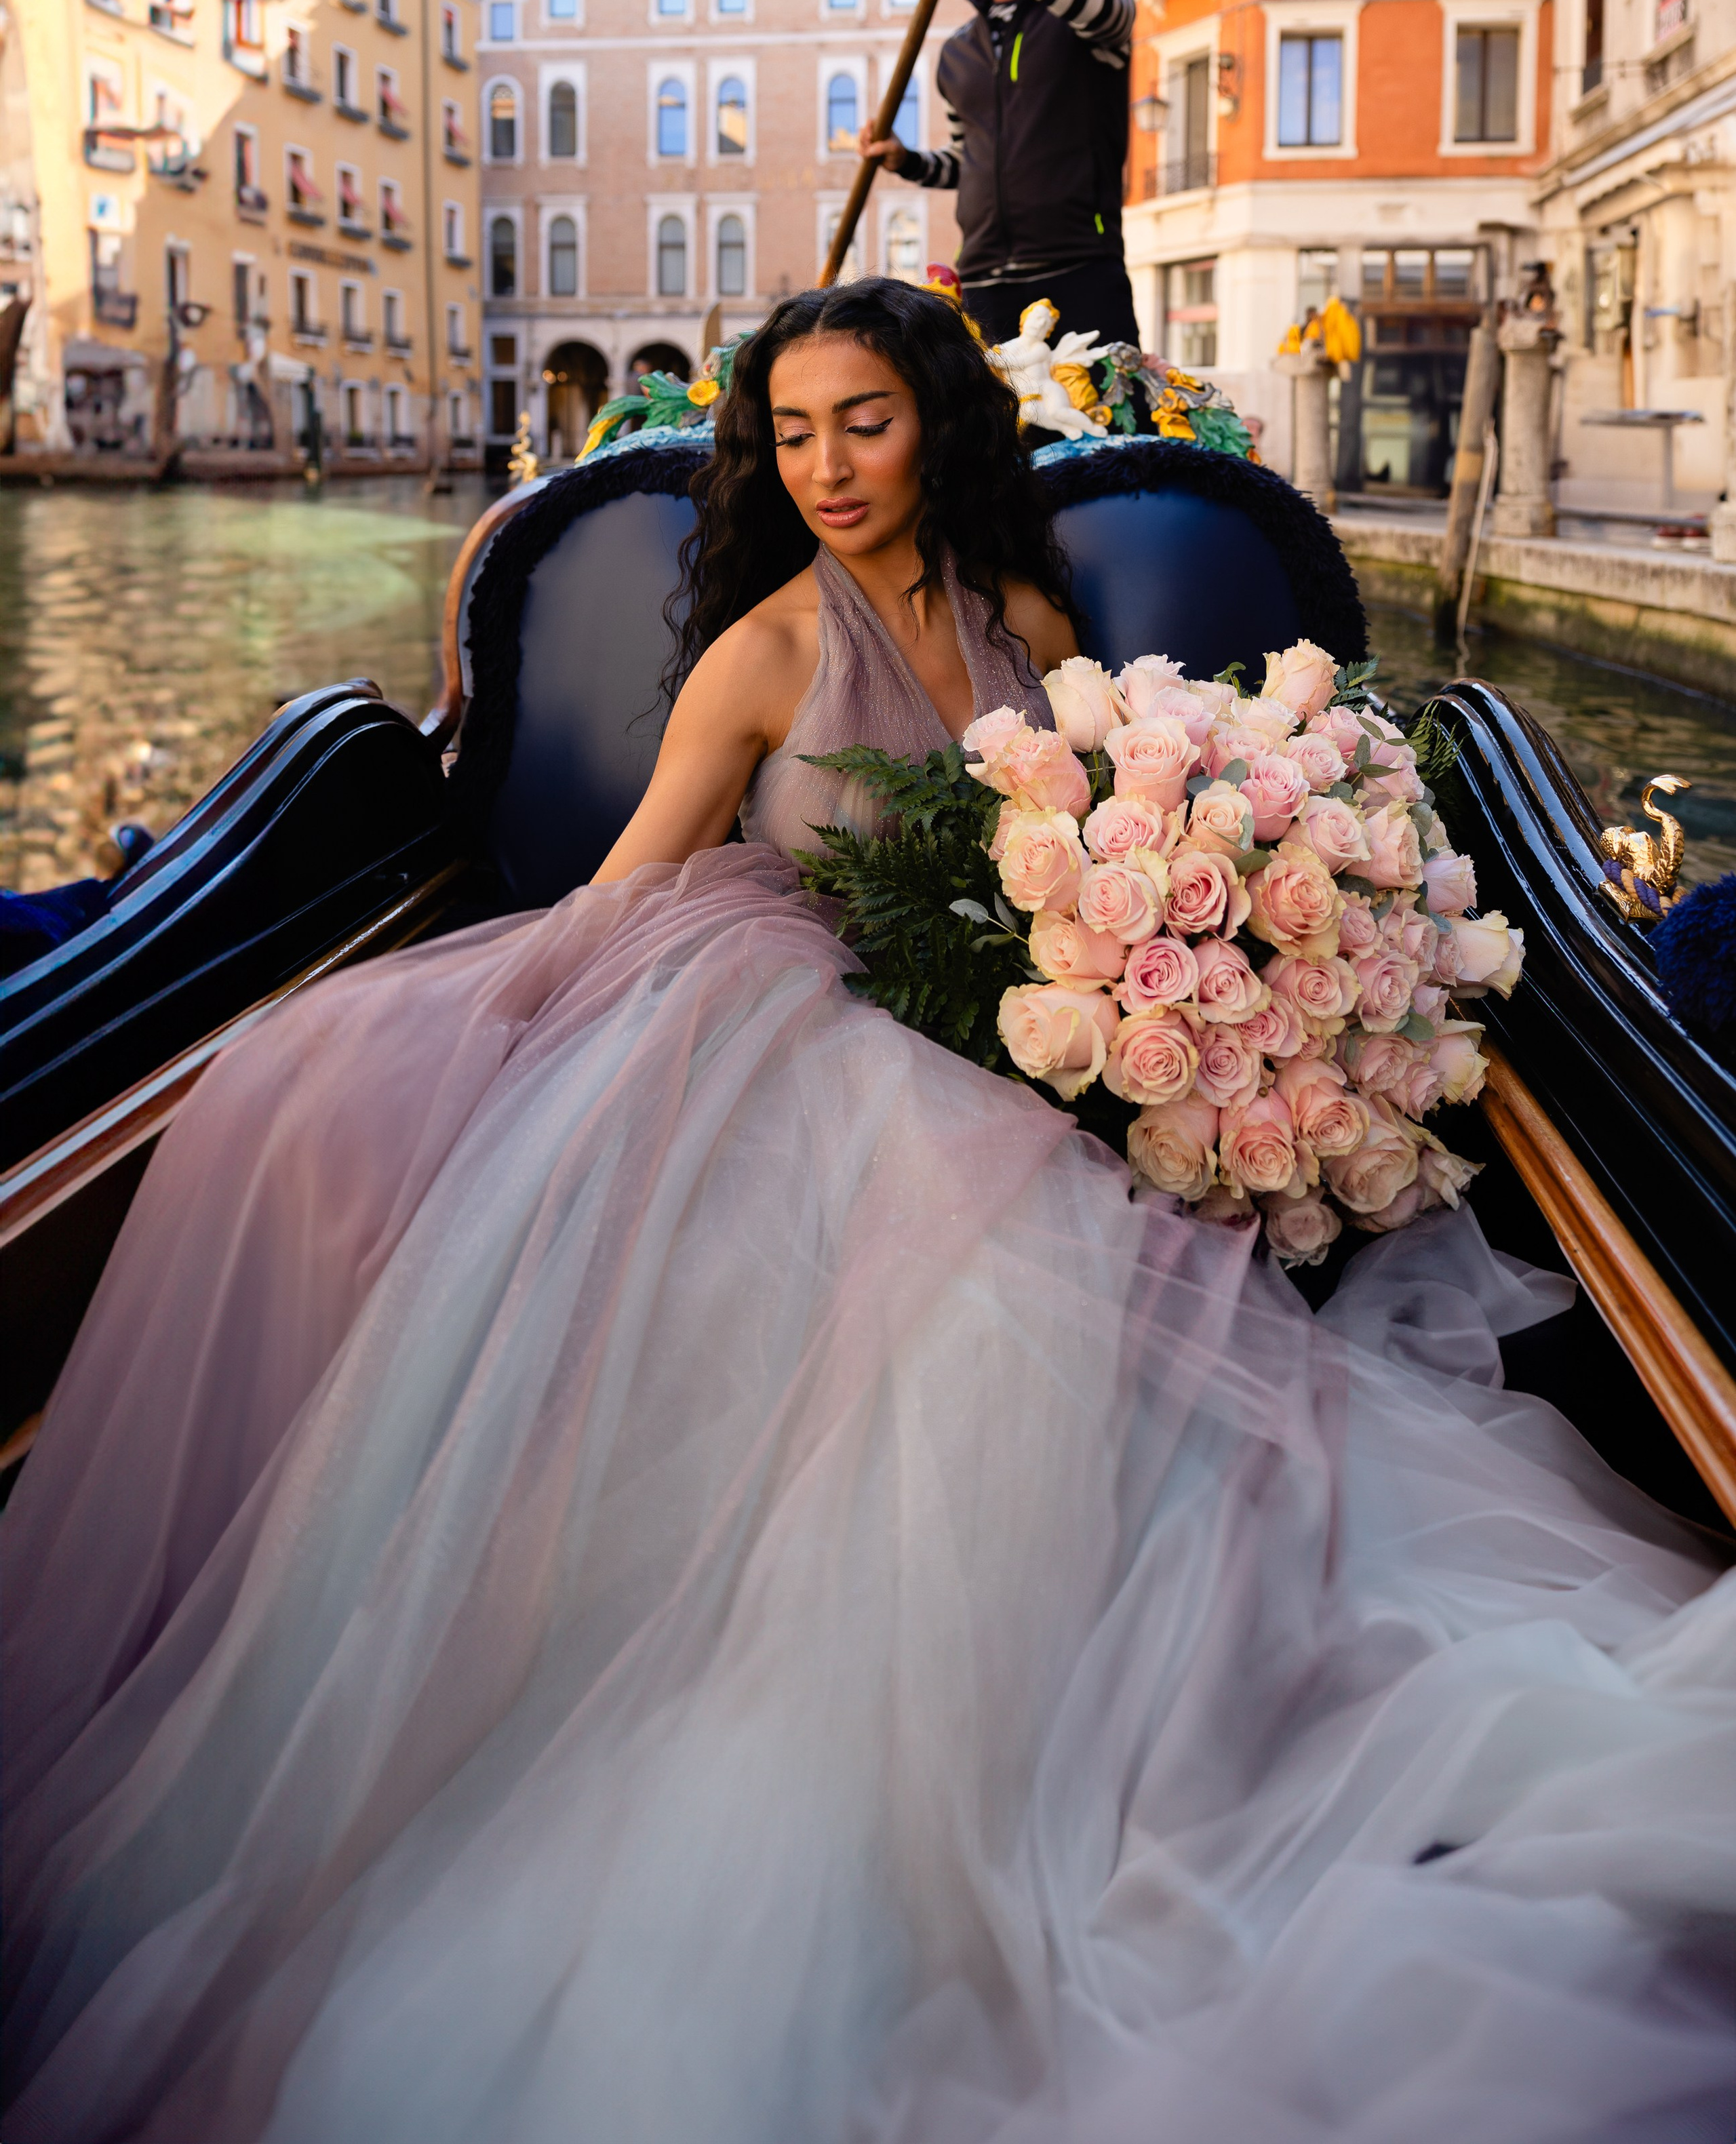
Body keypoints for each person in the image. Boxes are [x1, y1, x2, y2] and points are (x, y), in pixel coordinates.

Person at [4, 280, 1734, 2144]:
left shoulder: (1031, 625)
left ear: (938, 426)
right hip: (781, 1041)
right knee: (943, 1304)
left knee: (1105, 1315)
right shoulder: (761, 651)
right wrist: (458, 1058)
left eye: (865, 422)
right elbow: (625, 888)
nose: (826, 466)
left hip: (1001, 1057)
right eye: (793, 432)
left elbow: (1071, 856)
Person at [859, 0, 1140, 349]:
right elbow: (967, 161)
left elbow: (1113, 10)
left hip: (1081, 272)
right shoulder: (957, 52)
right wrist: (907, 161)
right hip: (983, 286)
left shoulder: (1090, 13)